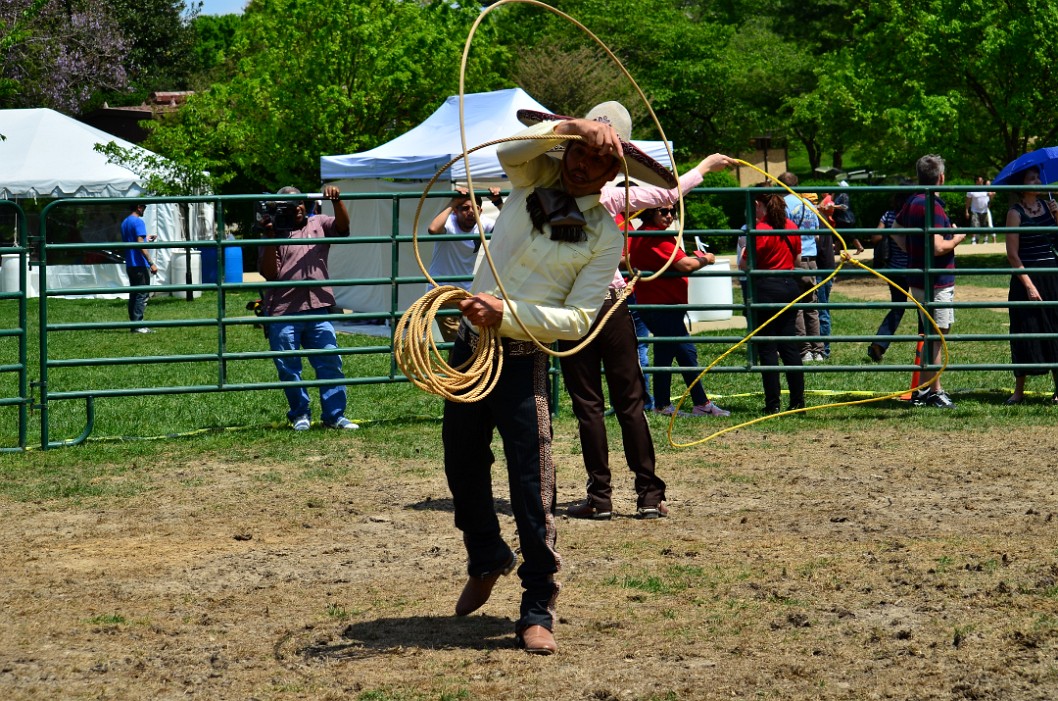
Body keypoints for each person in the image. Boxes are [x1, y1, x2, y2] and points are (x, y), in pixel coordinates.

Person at [442, 102, 675, 656]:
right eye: (577, 152)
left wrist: (508, 314)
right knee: (461, 459)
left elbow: (576, 320)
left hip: (522, 356)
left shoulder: (604, 236)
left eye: (597, 162)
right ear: (565, 148)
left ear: (614, 174)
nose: (581, 166)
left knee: (532, 480)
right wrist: (571, 125)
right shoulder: (530, 178)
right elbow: (507, 153)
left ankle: (538, 603)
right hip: (469, 348)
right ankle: (486, 555)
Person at [561, 154, 738, 522]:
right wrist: (704, 167)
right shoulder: (608, 199)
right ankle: (649, 497)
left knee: (589, 407)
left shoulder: (541, 203)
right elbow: (668, 193)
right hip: (610, 306)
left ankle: (600, 499)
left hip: (571, 310)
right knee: (629, 402)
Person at [258, 185, 358, 431]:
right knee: (288, 366)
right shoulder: (275, 230)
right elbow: (269, 273)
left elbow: (343, 228)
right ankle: (300, 413)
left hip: (318, 306)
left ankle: (334, 415)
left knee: (329, 360)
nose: (298, 208)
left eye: (301, 202)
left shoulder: (319, 223)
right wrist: (271, 237)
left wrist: (336, 200)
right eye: (292, 205)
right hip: (284, 308)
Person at [627, 206, 731, 418]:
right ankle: (699, 403)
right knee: (687, 351)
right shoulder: (655, 237)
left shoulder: (649, 234)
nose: (669, 215)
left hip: (662, 305)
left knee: (667, 354)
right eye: (663, 211)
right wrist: (707, 259)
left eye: (672, 211)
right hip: (662, 306)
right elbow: (685, 264)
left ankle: (665, 404)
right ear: (650, 213)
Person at [892, 154, 965, 409]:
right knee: (937, 335)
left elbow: (896, 230)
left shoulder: (914, 199)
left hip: (920, 279)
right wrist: (956, 238)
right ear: (941, 177)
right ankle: (935, 391)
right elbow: (938, 246)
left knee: (933, 333)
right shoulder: (931, 204)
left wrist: (913, 252)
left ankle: (922, 391)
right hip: (937, 280)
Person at [740, 186, 805, 414]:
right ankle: (798, 402)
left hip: (765, 288)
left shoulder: (759, 230)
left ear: (758, 204)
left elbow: (744, 264)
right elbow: (797, 259)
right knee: (790, 347)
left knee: (767, 349)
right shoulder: (791, 227)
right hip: (788, 286)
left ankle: (773, 404)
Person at [1001, 166, 1058, 405]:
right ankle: (1019, 391)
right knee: (1025, 332)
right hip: (1026, 280)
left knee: (1055, 332)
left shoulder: (1049, 206)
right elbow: (1013, 255)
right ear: (1023, 185)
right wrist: (1029, 285)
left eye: (1038, 176)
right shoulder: (1015, 213)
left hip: (1052, 277)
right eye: (1032, 177)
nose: (1038, 180)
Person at [426, 186, 503, 342]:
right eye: (465, 208)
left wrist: (498, 202)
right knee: (458, 341)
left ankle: (462, 366)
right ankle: (460, 365)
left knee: (472, 339)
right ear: (456, 211)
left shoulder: (483, 224)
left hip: (466, 293)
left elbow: (510, 229)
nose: (470, 212)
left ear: (480, 211)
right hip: (441, 292)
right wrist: (452, 202)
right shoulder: (449, 223)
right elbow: (433, 229)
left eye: (475, 208)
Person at [778, 172, 824, 362]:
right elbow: (817, 235)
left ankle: (803, 350)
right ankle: (818, 350)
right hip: (811, 259)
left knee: (796, 306)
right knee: (811, 306)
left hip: (794, 259)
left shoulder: (784, 205)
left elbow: (782, 232)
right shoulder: (809, 205)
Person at [866, 192, 911, 362]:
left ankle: (879, 342)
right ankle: (924, 348)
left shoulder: (889, 214)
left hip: (894, 269)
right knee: (924, 308)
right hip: (914, 268)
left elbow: (875, 237)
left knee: (897, 307)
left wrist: (890, 231)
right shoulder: (913, 214)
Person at [121, 202, 158, 333]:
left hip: (130, 264)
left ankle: (134, 324)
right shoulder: (138, 222)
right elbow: (140, 244)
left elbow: (134, 240)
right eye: (144, 207)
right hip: (139, 264)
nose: (144, 210)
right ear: (138, 207)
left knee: (134, 294)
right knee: (142, 294)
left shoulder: (125, 222)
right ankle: (139, 326)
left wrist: (146, 238)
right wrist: (151, 263)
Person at [965, 176, 992, 244]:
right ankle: (973, 239)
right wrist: (966, 211)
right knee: (974, 225)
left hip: (984, 210)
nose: (981, 182)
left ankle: (986, 239)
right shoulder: (971, 190)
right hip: (975, 210)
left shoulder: (986, 189)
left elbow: (990, 200)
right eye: (980, 180)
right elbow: (968, 201)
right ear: (976, 181)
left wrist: (991, 196)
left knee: (985, 225)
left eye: (982, 180)